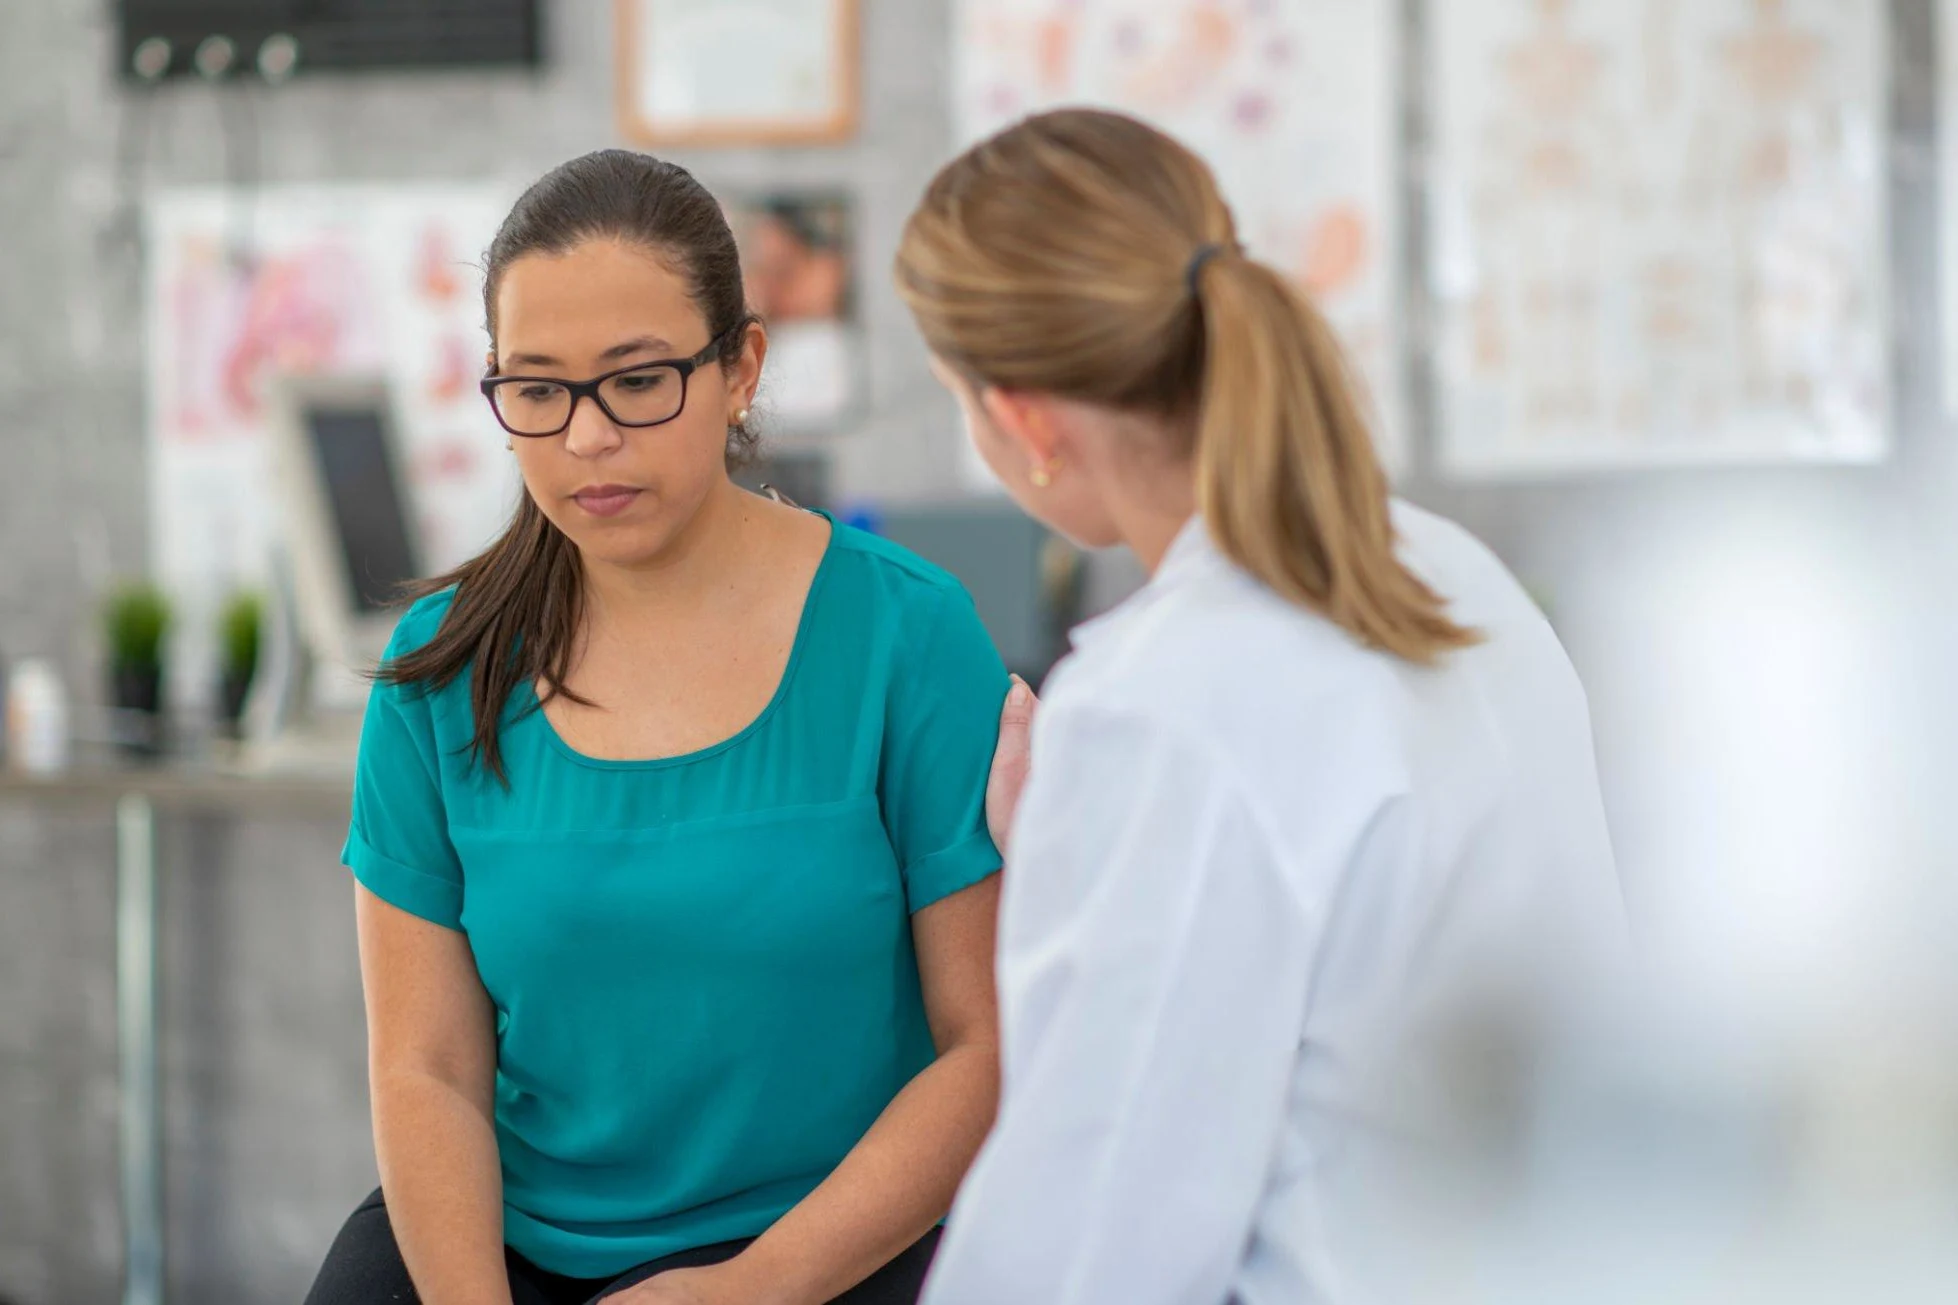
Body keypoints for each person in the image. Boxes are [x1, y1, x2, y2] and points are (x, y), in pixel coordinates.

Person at [894, 109, 1625, 1304]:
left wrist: (1094, 841)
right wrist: (1082, 848)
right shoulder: (1451, 577)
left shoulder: (1154, 707)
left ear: (1021, 419)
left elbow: (1087, 1243)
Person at [305, 150, 1015, 1305]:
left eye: (638, 381)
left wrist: (751, 1289)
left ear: (740, 368)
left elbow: (979, 1048)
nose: (586, 439)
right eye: (535, 389)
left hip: (833, 1249)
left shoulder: (909, 636)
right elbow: (426, 1067)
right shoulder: (440, 667)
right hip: (513, 1250)